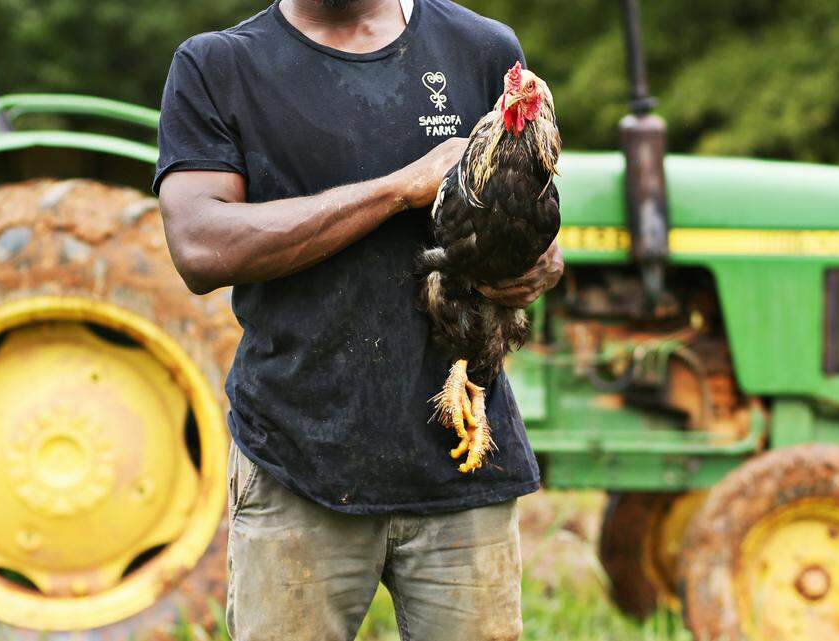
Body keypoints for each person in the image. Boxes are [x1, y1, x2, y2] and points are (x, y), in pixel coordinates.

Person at [154, 1, 563, 639]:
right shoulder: (219, 66)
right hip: (298, 463)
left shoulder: (480, 48)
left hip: (461, 462)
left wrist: (536, 262)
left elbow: (534, 211)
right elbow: (201, 246)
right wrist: (399, 189)